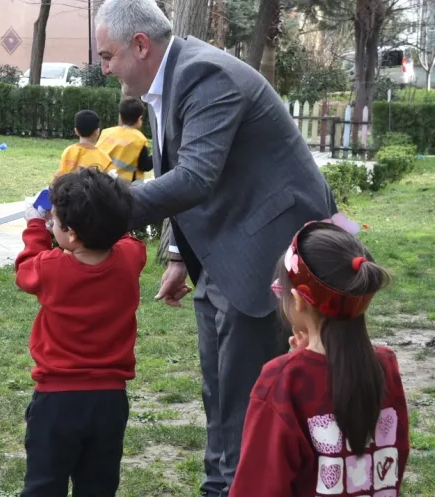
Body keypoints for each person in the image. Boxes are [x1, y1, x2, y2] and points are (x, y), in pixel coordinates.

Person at [94, 1, 338, 495]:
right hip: (220, 248)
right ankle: (220, 483)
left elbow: (196, 177)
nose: (104, 69)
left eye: (107, 56)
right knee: (219, 387)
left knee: (247, 391)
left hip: (264, 248)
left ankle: (241, 484)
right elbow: (179, 173)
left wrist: (101, 209)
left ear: (140, 45)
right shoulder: (173, 78)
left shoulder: (207, 75)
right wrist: (179, 255)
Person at [230, 220, 409, 496]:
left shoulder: (282, 381)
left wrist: (296, 364)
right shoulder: (386, 365)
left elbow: (257, 487)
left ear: (298, 300)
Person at [15, 168, 147, 496]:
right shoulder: (130, 259)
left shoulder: (50, 268)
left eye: (55, 221)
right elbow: (127, 238)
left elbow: (24, 269)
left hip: (57, 400)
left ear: (70, 234)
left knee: (44, 485)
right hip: (109, 400)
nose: (50, 225)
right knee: (99, 486)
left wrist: (34, 225)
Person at [97, 97, 153, 183]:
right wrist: (155, 156)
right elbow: (145, 166)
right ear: (140, 118)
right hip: (124, 187)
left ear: (120, 116)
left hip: (100, 181)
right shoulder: (139, 140)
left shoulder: (106, 133)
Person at [55, 110, 114, 177]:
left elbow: (61, 175)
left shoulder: (68, 151)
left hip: (67, 187)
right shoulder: (104, 157)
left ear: (76, 131)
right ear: (97, 132)